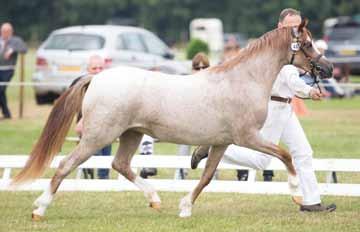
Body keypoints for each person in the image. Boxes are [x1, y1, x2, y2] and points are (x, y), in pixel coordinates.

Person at [191, 8, 336, 212]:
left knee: (303, 153)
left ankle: (311, 202)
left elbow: (297, 73)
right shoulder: (275, 49)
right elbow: (291, 79)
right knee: (261, 161)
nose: (295, 30)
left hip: (287, 108)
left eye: (298, 26)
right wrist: (309, 91)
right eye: (290, 26)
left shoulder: (293, 48)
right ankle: (217, 150)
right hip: (274, 108)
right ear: (280, 26)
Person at [75, 55, 111, 179]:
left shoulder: (110, 85)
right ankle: (88, 169)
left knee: (107, 135)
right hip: (85, 125)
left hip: (106, 125)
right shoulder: (82, 85)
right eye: (94, 68)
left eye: (101, 68)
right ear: (88, 70)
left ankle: (103, 176)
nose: (98, 71)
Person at [0, 22, 27, 119]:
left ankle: (6, 113)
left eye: (6, 31)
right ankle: (6, 114)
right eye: (3, 31)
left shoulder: (16, 41)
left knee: (1, 89)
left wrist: (12, 50)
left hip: (8, 69)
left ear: (11, 32)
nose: (4, 33)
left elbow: (24, 49)